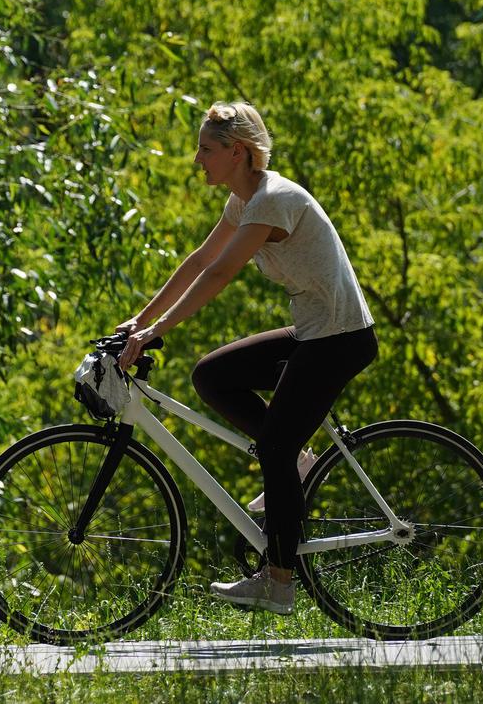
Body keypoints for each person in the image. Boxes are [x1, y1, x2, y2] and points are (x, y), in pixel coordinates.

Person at [116, 101, 378, 615]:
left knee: (274, 448)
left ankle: (278, 581)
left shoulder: (272, 200)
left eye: (206, 150)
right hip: (313, 333)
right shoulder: (244, 200)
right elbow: (200, 260)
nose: (198, 160)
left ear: (237, 152)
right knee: (213, 375)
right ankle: (299, 461)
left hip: (340, 338)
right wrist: (137, 322)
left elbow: (219, 276)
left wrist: (156, 332)